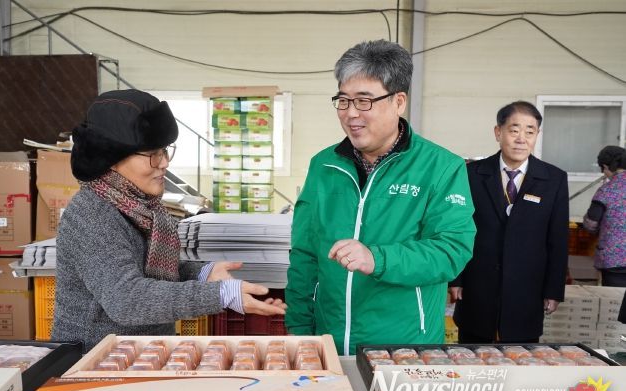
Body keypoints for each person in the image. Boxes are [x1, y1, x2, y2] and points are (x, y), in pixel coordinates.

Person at [51, 89, 286, 350]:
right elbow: (127, 300)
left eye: (164, 151)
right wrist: (219, 294)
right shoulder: (92, 214)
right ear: (112, 159)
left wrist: (203, 274)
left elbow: (152, 270)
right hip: (94, 358)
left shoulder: (142, 206)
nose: (164, 163)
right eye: (153, 154)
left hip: (145, 352)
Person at [285, 40, 476, 356]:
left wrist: (377, 259)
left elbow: (451, 250)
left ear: (399, 102)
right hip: (329, 343)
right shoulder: (324, 166)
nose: (351, 113)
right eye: (343, 100)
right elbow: (305, 253)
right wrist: (300, 329)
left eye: (364, 101)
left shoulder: (441, 167)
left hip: (404, 348)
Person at [449, 101, 569, 343]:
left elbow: (558, 239)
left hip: (527, 288)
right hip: (477, 284)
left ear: (537, 135)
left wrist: (554, 290)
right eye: (514, 130)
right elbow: (457, 230)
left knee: (521, 353)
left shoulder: (554, 178)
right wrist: (456, 278)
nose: (521, 139)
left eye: (529, 132)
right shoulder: (471, 174)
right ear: (498, 132)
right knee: (472, 351)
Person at [582, 145, 626, 322]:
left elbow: (591, 223)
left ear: (606, 167)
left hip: (614, 261)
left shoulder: (607, 190)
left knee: (615, 307)